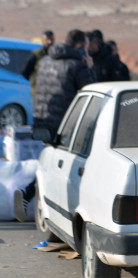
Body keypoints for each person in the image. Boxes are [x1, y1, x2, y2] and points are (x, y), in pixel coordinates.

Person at [14, 29, 96, 222]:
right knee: (69, 167)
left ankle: (31, 196)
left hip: (42, 120)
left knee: (50, 163)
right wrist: (90, 68)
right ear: (78, 46)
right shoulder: (77, 65)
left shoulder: (45, 60)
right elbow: (91, 93)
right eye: (84, 46)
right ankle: (55, 208)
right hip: (66, 124)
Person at [21, 30, 54, 96]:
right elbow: (25, 72)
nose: (49, 42)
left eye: (51, 39)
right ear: (43, 40)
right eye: (47, 40)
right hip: (38, 92)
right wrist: (34, 80)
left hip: (51, 91)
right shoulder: (36, 54)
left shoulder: (55, 55)